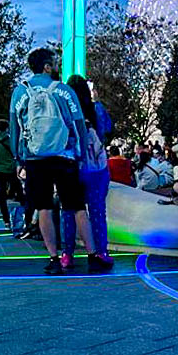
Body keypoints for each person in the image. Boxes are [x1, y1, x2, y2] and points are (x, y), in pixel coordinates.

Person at [9, 47, 110, 274]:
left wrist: (18, 158)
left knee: (43, 207)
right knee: (76, 207)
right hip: (65, 156)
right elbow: (78, 124)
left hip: (34, 157)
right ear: (47, 66)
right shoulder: (64, 91)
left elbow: (15, 127)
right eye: (53, 63)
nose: (56, 66)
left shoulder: (20, 93)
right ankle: (93, 257)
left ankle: (54, 258)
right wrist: (81, 153)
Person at [58, 74, 114, 272]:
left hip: (73, 167)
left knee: (69, 211)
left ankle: (68, 254)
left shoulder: (65, 111)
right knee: (98, 211)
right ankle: (101, 252)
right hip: (98, 167)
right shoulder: (97, 109)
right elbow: (107, 130)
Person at [0, 119, 24, 230]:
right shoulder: (10, 140)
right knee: (20, 194)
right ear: (7, 128)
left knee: (2, 196)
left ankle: (6, 221)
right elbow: (16, 152)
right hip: (11, 170)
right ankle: (25, 218)